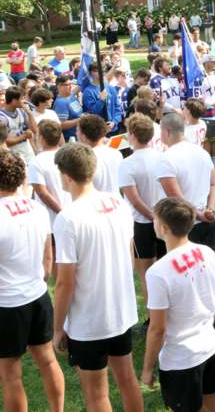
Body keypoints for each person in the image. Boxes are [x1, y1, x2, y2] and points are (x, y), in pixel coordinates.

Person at [52, 143, 143, 412]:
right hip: (120, 311)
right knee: (127, 379)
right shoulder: (118, 203)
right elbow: (128, 254)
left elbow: (65, 282)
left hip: (89, 320)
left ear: (66, 176)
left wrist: (57, 329)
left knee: (96, 394)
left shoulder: (68, 218)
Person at [140, 197, 215, 412]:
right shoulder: (207, 253)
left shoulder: (158, 272)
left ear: (164, 227)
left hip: (181, 359)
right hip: (210, 346)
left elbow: (157, 329)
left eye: (155, 220)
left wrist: (147, 369)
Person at [0, 149, 65, 412]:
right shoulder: (37, 208)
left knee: (10, 373)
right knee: (48, 360)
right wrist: (38, 282)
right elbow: (47, 258)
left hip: (7, 303)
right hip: (37, 294)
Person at [119, 114, 165, 332]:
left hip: (143, 222)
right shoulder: (162, 156)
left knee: (146, 272)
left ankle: (153, 319)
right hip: (163, 218)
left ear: (133, 136)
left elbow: (134, 199)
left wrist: (151, 216)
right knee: (163, 268)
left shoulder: (127, 163)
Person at [157, 113, 215, 254]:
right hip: (206, 219)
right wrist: (210, 209)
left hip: (182, 225)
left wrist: (200, 214)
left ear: (166, 132)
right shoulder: (201, 152)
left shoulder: (166, 159)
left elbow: (175, 196)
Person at [29, 119, 72, 226]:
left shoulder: (36, 161)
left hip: (52, 221)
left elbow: (42, 193)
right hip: (71, 214)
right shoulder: (68, 155)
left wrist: (62, 214)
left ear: (42, 138)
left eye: (37, 134)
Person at [77, 114, 122, 194]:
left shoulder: (85, 159)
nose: (76, 133)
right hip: (116, 201)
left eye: (77, 130)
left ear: (83, 137)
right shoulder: (117, 153)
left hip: (96, 204)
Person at [0, 86, 36, 164]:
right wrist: (23, 136)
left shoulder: (22, 111)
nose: (24, 101)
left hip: (28, 153)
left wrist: (29, 114)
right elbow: (5, 141)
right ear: (14, 101)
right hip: (13, 156)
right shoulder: (2, 118)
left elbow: (34, 130)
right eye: (22, 98)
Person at [54, 75, 83, 141]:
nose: (70, 86)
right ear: (59, 86)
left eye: (71, 84)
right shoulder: (61, 103)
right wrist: (80, 119)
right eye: (67, 85)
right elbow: (61, 125)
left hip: (79, 136)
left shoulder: (72, 97)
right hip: (71, 139)